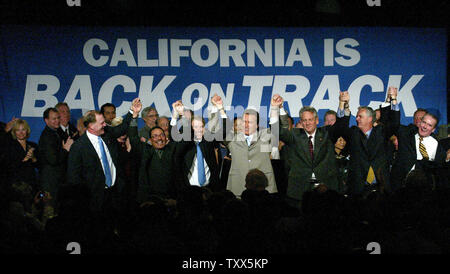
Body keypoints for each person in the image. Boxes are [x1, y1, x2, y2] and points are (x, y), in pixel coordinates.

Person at [270, 93, 349, 209]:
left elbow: (341, 126)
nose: (307, 123)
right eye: (304, 120)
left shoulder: (326, 133)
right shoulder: (295, 135)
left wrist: (342, 104)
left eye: (310, 120)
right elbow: (276, 131)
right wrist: (274, 108)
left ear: (317, 120)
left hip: (326, 188)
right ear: (301, 122)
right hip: (299, 191)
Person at [66, 98, 141, 216]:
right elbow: (74, 177)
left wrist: (132, 112)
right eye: (101, 123)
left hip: (116, 193)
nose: (105, 124)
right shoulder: (79, 147)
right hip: (95, 199)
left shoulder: (106, 134)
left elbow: (121, 128)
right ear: (91, 125)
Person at [209, 94, 278, 197]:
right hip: (238, 188)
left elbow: (276, 127)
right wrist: (219, 108)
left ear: (257, 125)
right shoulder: (233, 139)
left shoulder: (265, 137)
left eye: (249, 122)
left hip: (264, 189)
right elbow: (215, 130)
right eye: (244, 121)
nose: (245, 125)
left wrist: (274, 108)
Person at [336, 87, 400, 197]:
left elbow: (394, 124)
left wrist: (393, 99)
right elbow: (340, 127)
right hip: (357, 188)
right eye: (356, 116)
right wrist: (342, 104)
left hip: (381, 187)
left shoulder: (381, 132)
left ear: (370, 119)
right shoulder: (353, 133)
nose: (356, 118)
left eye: (360, 116)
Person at [170, 100, 222, 192]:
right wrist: (177, 116)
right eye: (195, 127)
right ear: (191, 128)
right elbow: (173, 136)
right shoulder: (185, 144)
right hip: (189, 190)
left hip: (209, 189)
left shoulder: (208, 142)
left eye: (201, 126)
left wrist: (218, 108)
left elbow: (217, 129)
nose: (199, 130)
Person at [390, 110, 447, 191]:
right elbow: (393, 124)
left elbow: (439, 169)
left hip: (425, 189)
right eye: (424, 122)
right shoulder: (406, 134)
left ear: (433, 129)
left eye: (429, 125)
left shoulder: (436, 145)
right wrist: (393, 101)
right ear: (420, 123)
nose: (424, 126)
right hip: (400, 186)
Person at [38, 107, 73, 203]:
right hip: (50, 182)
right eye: (54, 119)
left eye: (58, 118)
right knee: (50, 211)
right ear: (46, 120)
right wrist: (65, 149)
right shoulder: (47, 136)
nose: (57, 121)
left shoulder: (54, 133)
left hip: (57, 180)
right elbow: (53, 160)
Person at [3, 119, 39, 191]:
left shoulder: (33, 145)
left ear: (27, 130)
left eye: (23, 129)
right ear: (14, 132)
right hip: (16, 186)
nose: (21, 132)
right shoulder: (10, 146)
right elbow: (8, 167)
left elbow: (39, 165)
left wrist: (33, 158)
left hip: (31, 184)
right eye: (18, 130)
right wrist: (24, 160)